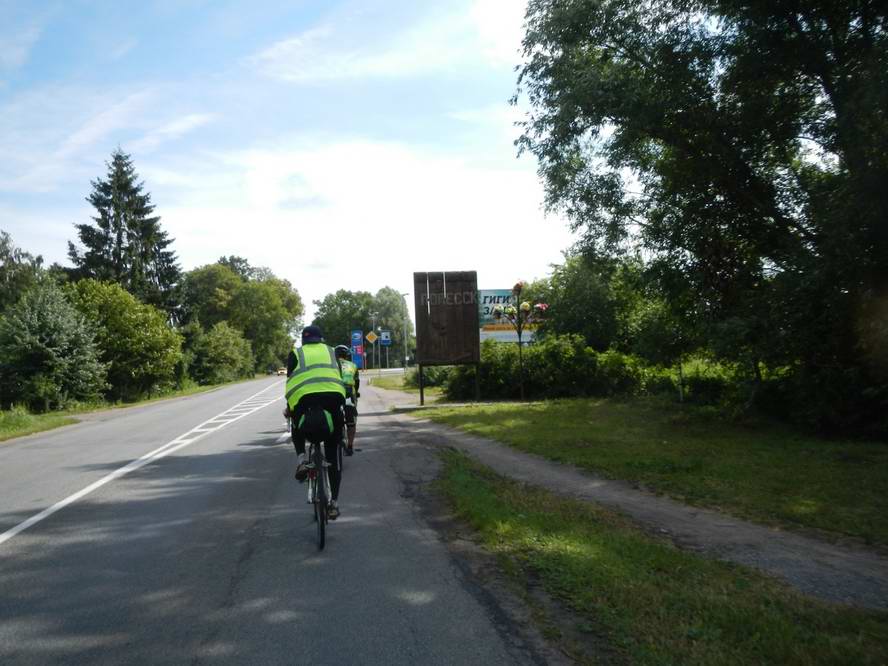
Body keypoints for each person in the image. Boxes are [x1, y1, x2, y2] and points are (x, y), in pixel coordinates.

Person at [285, 325, 346, 520]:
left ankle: (302, 460)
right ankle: (334, 504)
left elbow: (290, 381)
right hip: (333, 398)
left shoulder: (296, 353)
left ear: (303, 340)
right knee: (333, 456)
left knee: (296, 424)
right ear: (321, 339)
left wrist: (290, 408)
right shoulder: (331, 351)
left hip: (305, 400)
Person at [334, 345, 360, 455]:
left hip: (335, 393)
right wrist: (356, 392)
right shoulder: (353, 365)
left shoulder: (332, 365)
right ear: (347, 355)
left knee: (333, 417)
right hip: (349, 394)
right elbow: (357, 382)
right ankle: (350, 447)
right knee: (351, 422)